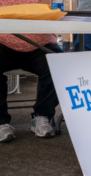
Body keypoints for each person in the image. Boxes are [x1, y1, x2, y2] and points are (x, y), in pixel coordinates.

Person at [0, 0, 61, 143]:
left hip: (40, 45)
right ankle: (1, 121)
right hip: (3, 44)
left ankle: (42, 116)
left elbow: (55, 10)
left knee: (58, 63)